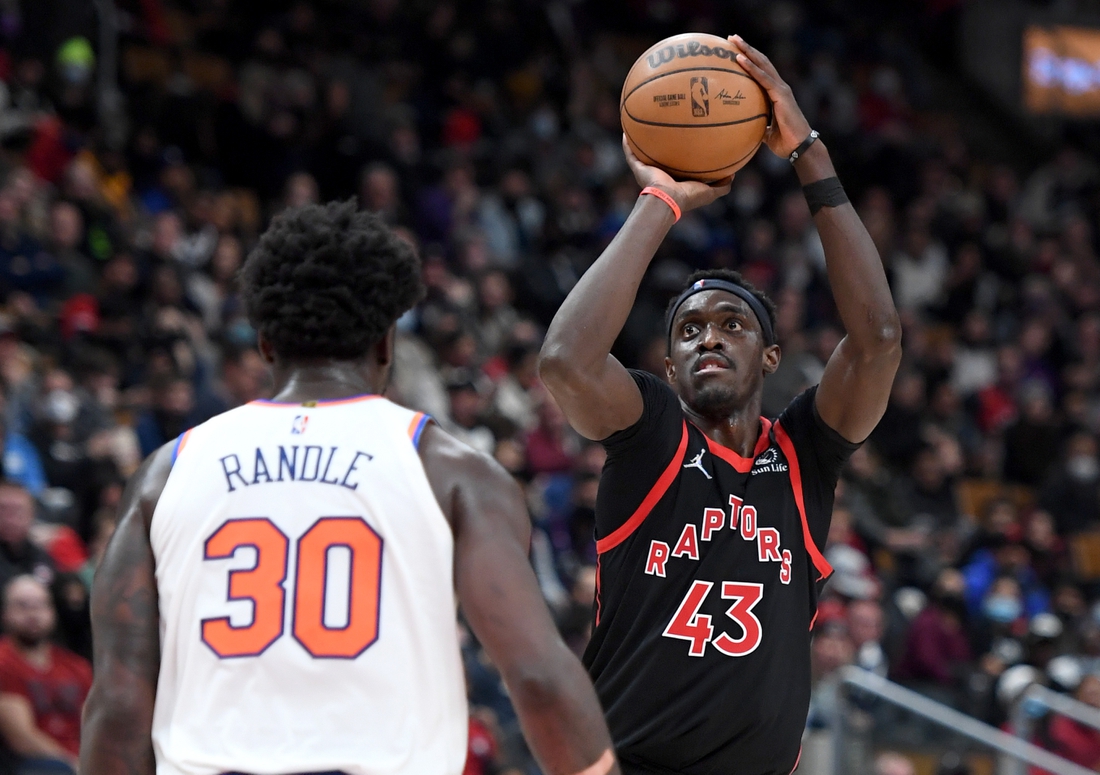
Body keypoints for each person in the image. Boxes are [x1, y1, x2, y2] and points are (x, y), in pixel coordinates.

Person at [81, 201, 619, 775]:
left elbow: (117, 708)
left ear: (265, 343)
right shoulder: (453, 471)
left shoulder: (165, 474)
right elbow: (537, 678)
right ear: (386, 342)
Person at [538, 36, 901, 775]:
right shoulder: (654, 435)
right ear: (668, 363)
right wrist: (660, 199)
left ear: (769, 356)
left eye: (732, 325)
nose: (709, 338)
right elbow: (565, 361)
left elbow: (880, 339)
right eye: (689, 329)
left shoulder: (803, 454)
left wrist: (808, 152)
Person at [0, 575, 92, 775]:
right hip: (30, 764)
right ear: (5, 613)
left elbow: (92, 725)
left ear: (52, 612)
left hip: (80, 761)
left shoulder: (76, 666)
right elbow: (21, 738)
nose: (33, 613)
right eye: (22, 606)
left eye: (40, 605)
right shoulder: (3, 661)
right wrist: (74, 765)